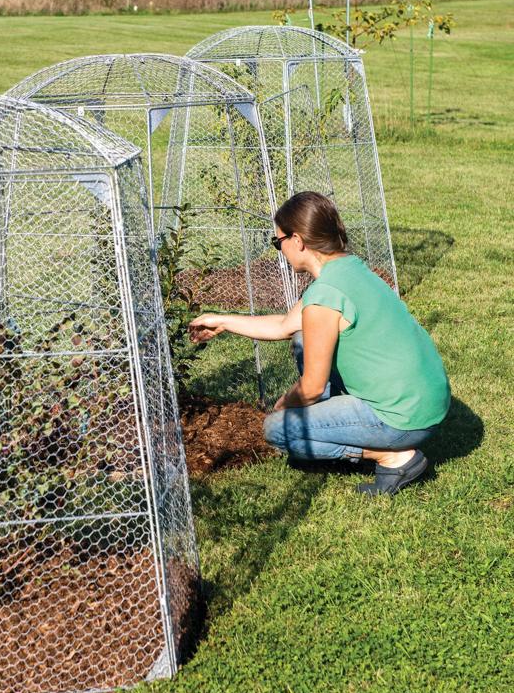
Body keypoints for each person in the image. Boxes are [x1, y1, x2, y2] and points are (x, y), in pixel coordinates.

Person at [188, 192, 450, 497]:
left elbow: (311, 388)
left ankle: (393, 457)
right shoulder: (348, 270)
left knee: (279, 430)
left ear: (297, 240)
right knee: (303, 339)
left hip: (403, 419)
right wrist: (224, 321)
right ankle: (346, 422)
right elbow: (286, 326)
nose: (280, 251)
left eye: (278, 242)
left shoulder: (325, 296)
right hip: (425, 402)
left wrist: (283, 406)